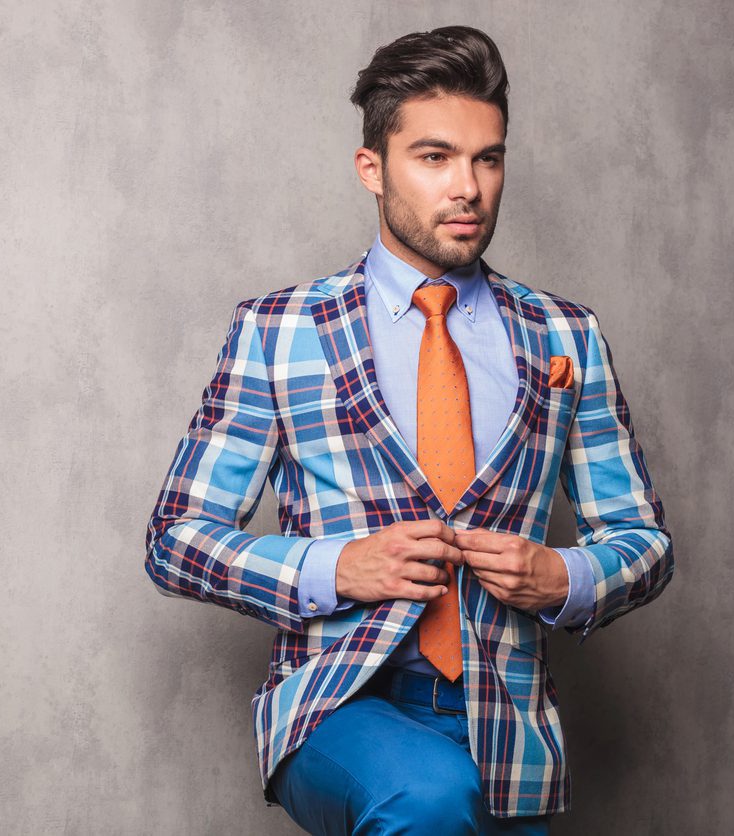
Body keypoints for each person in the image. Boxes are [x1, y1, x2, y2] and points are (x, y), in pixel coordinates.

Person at [143, 24, 674, 835]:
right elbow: (176, 540)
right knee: (425, 797)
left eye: (487, 158)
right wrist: (337, 566)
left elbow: (643, 540)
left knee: (448, 799)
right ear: (373, 169)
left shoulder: (567, 337)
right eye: (434, 157)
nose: (467, 186)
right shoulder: (281, 330)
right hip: (336, 702)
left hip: (510, 729)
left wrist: (564, 577)